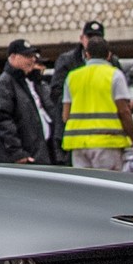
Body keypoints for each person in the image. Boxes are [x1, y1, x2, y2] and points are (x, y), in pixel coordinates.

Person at [60, 35, 133, 171]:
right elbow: (123, 112)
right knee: (108, 187)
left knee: (85, 189)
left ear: (87, 54)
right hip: (107, 142)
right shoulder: (115, 75)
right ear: (109, 55)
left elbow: (66, 116)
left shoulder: (72, 77)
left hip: (79, 145)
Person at [0, 39, 56, 165]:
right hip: (24, 158)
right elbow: (2, 120)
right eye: (27, 56)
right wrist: (17, 153)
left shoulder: (31, 82)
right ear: (13, 57)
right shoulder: (4, 84)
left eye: (32, 56)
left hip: (40, 153)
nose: (32, 60)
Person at [47, 19, 103, 161]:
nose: (92, 42)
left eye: (98, 38)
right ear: (81, 38)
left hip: (101, 133)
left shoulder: (110, 62)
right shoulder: (67, 60)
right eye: (90, 37)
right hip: (73, 133)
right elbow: (56, 92)